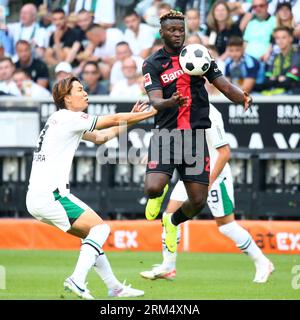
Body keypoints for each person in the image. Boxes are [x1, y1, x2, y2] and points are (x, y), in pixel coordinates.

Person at [26, 76, 157, 299]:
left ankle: (114, 287)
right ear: (66, 98)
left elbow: (101, 137)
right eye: (79, 90)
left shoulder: (61, 119)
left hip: (39, 197)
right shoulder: (69, 118)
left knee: (91, 234)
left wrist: (133, 119)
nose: (85, 92)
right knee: (100, 229)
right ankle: (77, 279)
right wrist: (154, 111)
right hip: (51, 195)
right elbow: (114, 118)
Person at [142, 10, 252, 255]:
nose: (178, 34)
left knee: (198, 202)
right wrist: (172, 102)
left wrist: (240, 96)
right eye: (172, 30)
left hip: (194, 138)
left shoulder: (198, 55)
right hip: (165, 136)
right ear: (162, 33)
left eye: (181, 30)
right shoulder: (152, 63)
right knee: (153, 187)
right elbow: (156, 101)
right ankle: (157, 195)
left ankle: (171, 222)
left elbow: (222, 85)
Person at [140, 104, 275, 284]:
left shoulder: (209, 112)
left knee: (226, 225)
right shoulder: (180, 107)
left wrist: (208, 182)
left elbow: (224, 153)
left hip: (213, 174)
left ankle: (262, 262)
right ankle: (169, 267)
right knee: (169, 216)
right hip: (193, 171)